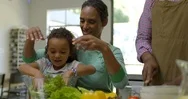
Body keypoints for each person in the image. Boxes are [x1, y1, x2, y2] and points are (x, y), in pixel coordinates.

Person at [22, 0, 128, 92]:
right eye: (82, 21)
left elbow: (121, 84)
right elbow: (29, 59)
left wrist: (104, 48)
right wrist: (30, 39)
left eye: (91, 22)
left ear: (104, 22)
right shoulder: (70, 47)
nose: (85, 26)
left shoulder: (112, 51)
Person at [19, 28, 96, 86]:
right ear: (47, 51)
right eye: (52, 51)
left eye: (63, 52)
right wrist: (36, 73)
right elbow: (22, 67)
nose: (57, 55)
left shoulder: (72, 65)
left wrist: (71, 72)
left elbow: (92, 69)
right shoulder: (45, 63)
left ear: (69, 53)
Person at [136, 0, 187, 85]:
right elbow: (142, 38)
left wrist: (176, 83)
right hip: (157, 84)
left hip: (184, 86)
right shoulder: (151, 2)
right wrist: (147, 58)